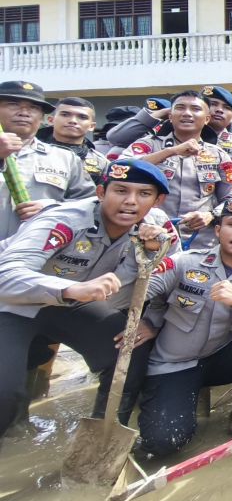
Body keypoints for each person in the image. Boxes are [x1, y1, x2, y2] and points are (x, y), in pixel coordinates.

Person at [0, 160, 174, 436]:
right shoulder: (63, 220)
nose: (130, 202)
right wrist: (69, 289)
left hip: (66, 307)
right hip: (11, 305)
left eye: (143, 194)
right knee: (5, 395)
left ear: (158, 200)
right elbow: (5, 276)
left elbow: (141, 283)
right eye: (120, 191)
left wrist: (150, 254)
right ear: (101, 192)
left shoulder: (154, 230)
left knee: (129, 348)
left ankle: (101, 439)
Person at [137, 197, 232, 454]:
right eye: (231, 224)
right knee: (164, 443)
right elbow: (139, 293)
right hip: (173, 364)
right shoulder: (184, 262)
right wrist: (147, 255)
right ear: (218, 230)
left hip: (220, 356)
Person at [120, 91, 232, 250]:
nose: (187, 113)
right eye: (180, 108)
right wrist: (172, 151)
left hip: (201, 242)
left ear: (206, 119)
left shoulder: (219, 155)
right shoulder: (149, 145)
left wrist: (210, 215)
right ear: (170, 116)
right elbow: (119, 168)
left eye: (195, 109)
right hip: (149, 236)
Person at [0, 81, 95, 238]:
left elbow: (90, 205)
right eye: (13, 104)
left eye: (34, 108)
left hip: (36, 253)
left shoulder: (65, 158)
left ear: (43, 117)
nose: (24, 112)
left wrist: (52, 208)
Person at [37, 96, 107, 184]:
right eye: (65, 115)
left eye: (82, 117)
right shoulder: (28, 152)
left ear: (91, 126)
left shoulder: (101, 162)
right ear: (51, 120)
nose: (73, 121)